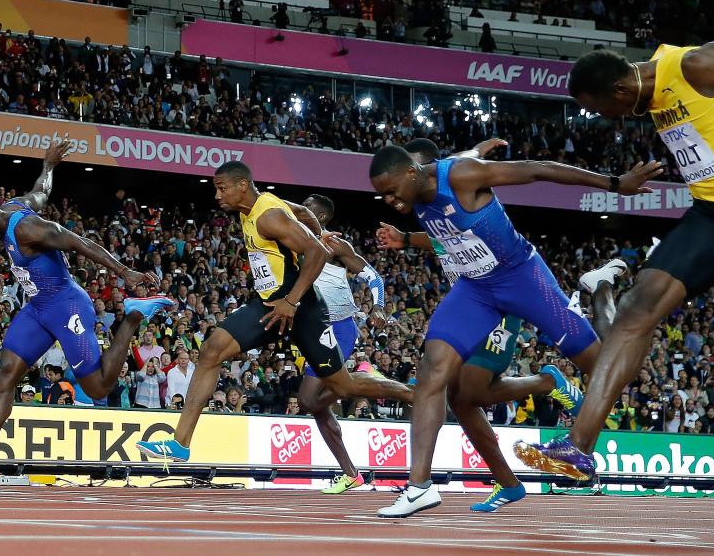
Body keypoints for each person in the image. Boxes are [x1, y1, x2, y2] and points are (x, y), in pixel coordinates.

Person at [367, 142, 658, 517]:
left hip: (523, 278)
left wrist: (616, 183)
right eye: (382, 195)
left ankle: (601, 285)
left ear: (412, 171)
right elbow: (448, 232)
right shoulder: (420, 189)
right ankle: (419, 486)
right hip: (476, 288)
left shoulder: (462, 175)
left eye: (390, 191)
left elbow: (539, 167)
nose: (389, 200)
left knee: (605, 369)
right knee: (432, 370)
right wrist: (406, 238)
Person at [515, 42, 714, 481]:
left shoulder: (698, 65)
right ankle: (577, 448)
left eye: (605, 108)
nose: (607, 119)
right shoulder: (650, 92)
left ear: (624, 88)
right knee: (634, 310)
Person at [136, 162, 413, 462]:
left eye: (221, 187)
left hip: (302, 308)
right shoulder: (253, 208)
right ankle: (180, 444)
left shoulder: (269, 216)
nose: (216, 195)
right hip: (270, 305)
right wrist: (316, 231)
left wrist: (291, 300)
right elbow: (305, 213)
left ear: (242, 185)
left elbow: (317, 252)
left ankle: (413, 394)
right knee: (211, 351)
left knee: (342, 385)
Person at [0, 141, 175, 490]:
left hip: (66, 305)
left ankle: (133, 317)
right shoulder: (12, 208)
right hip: (37, 309)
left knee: (97, 387)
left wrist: (125, 272)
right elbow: (40, 192)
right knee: (5, 374)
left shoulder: (26, 229)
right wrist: (48, 165)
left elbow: (78, 242)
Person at [292, 192, 410, 495]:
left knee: (308, 401)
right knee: (317, 407)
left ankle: (380, 384)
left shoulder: (334, 245)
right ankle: (351, 474)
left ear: (321, 217)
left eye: (305, 210)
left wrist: (379, 307)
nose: (297, 213)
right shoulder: (292, 239)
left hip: (338, 327)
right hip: (311, 327)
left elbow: (374, 278)